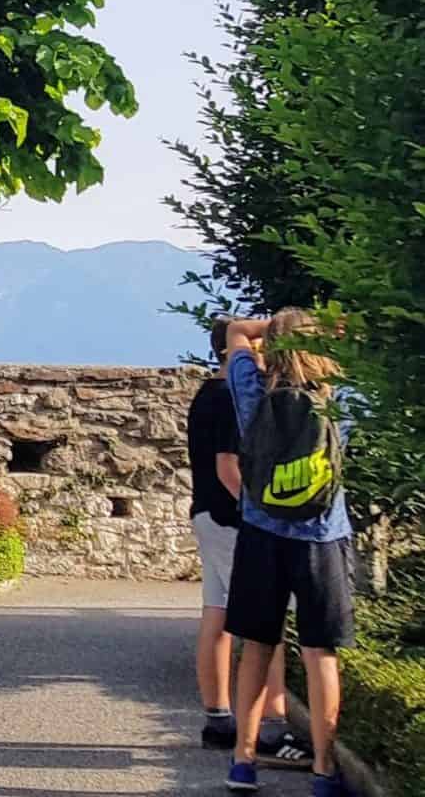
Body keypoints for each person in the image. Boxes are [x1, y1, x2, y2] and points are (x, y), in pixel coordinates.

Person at [218, 310, 354, 796]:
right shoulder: (338, 397)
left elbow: (235, 333)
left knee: (257, 648)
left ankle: (243, 761)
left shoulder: (253, 394)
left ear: (270, 348)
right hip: (322, 534)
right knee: (321, 653)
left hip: (261, 533)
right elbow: (355, 335)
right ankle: (323, 767)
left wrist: (266, 324)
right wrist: (323, 326)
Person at [187, 319, 302, 759]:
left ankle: (218, 717)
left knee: (217, 614)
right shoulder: (231, 399)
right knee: (261, 620)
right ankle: (271, 726)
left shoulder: (205, 396)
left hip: (207, 512)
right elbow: (228, 466)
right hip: (233, 518)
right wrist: (260, 513)